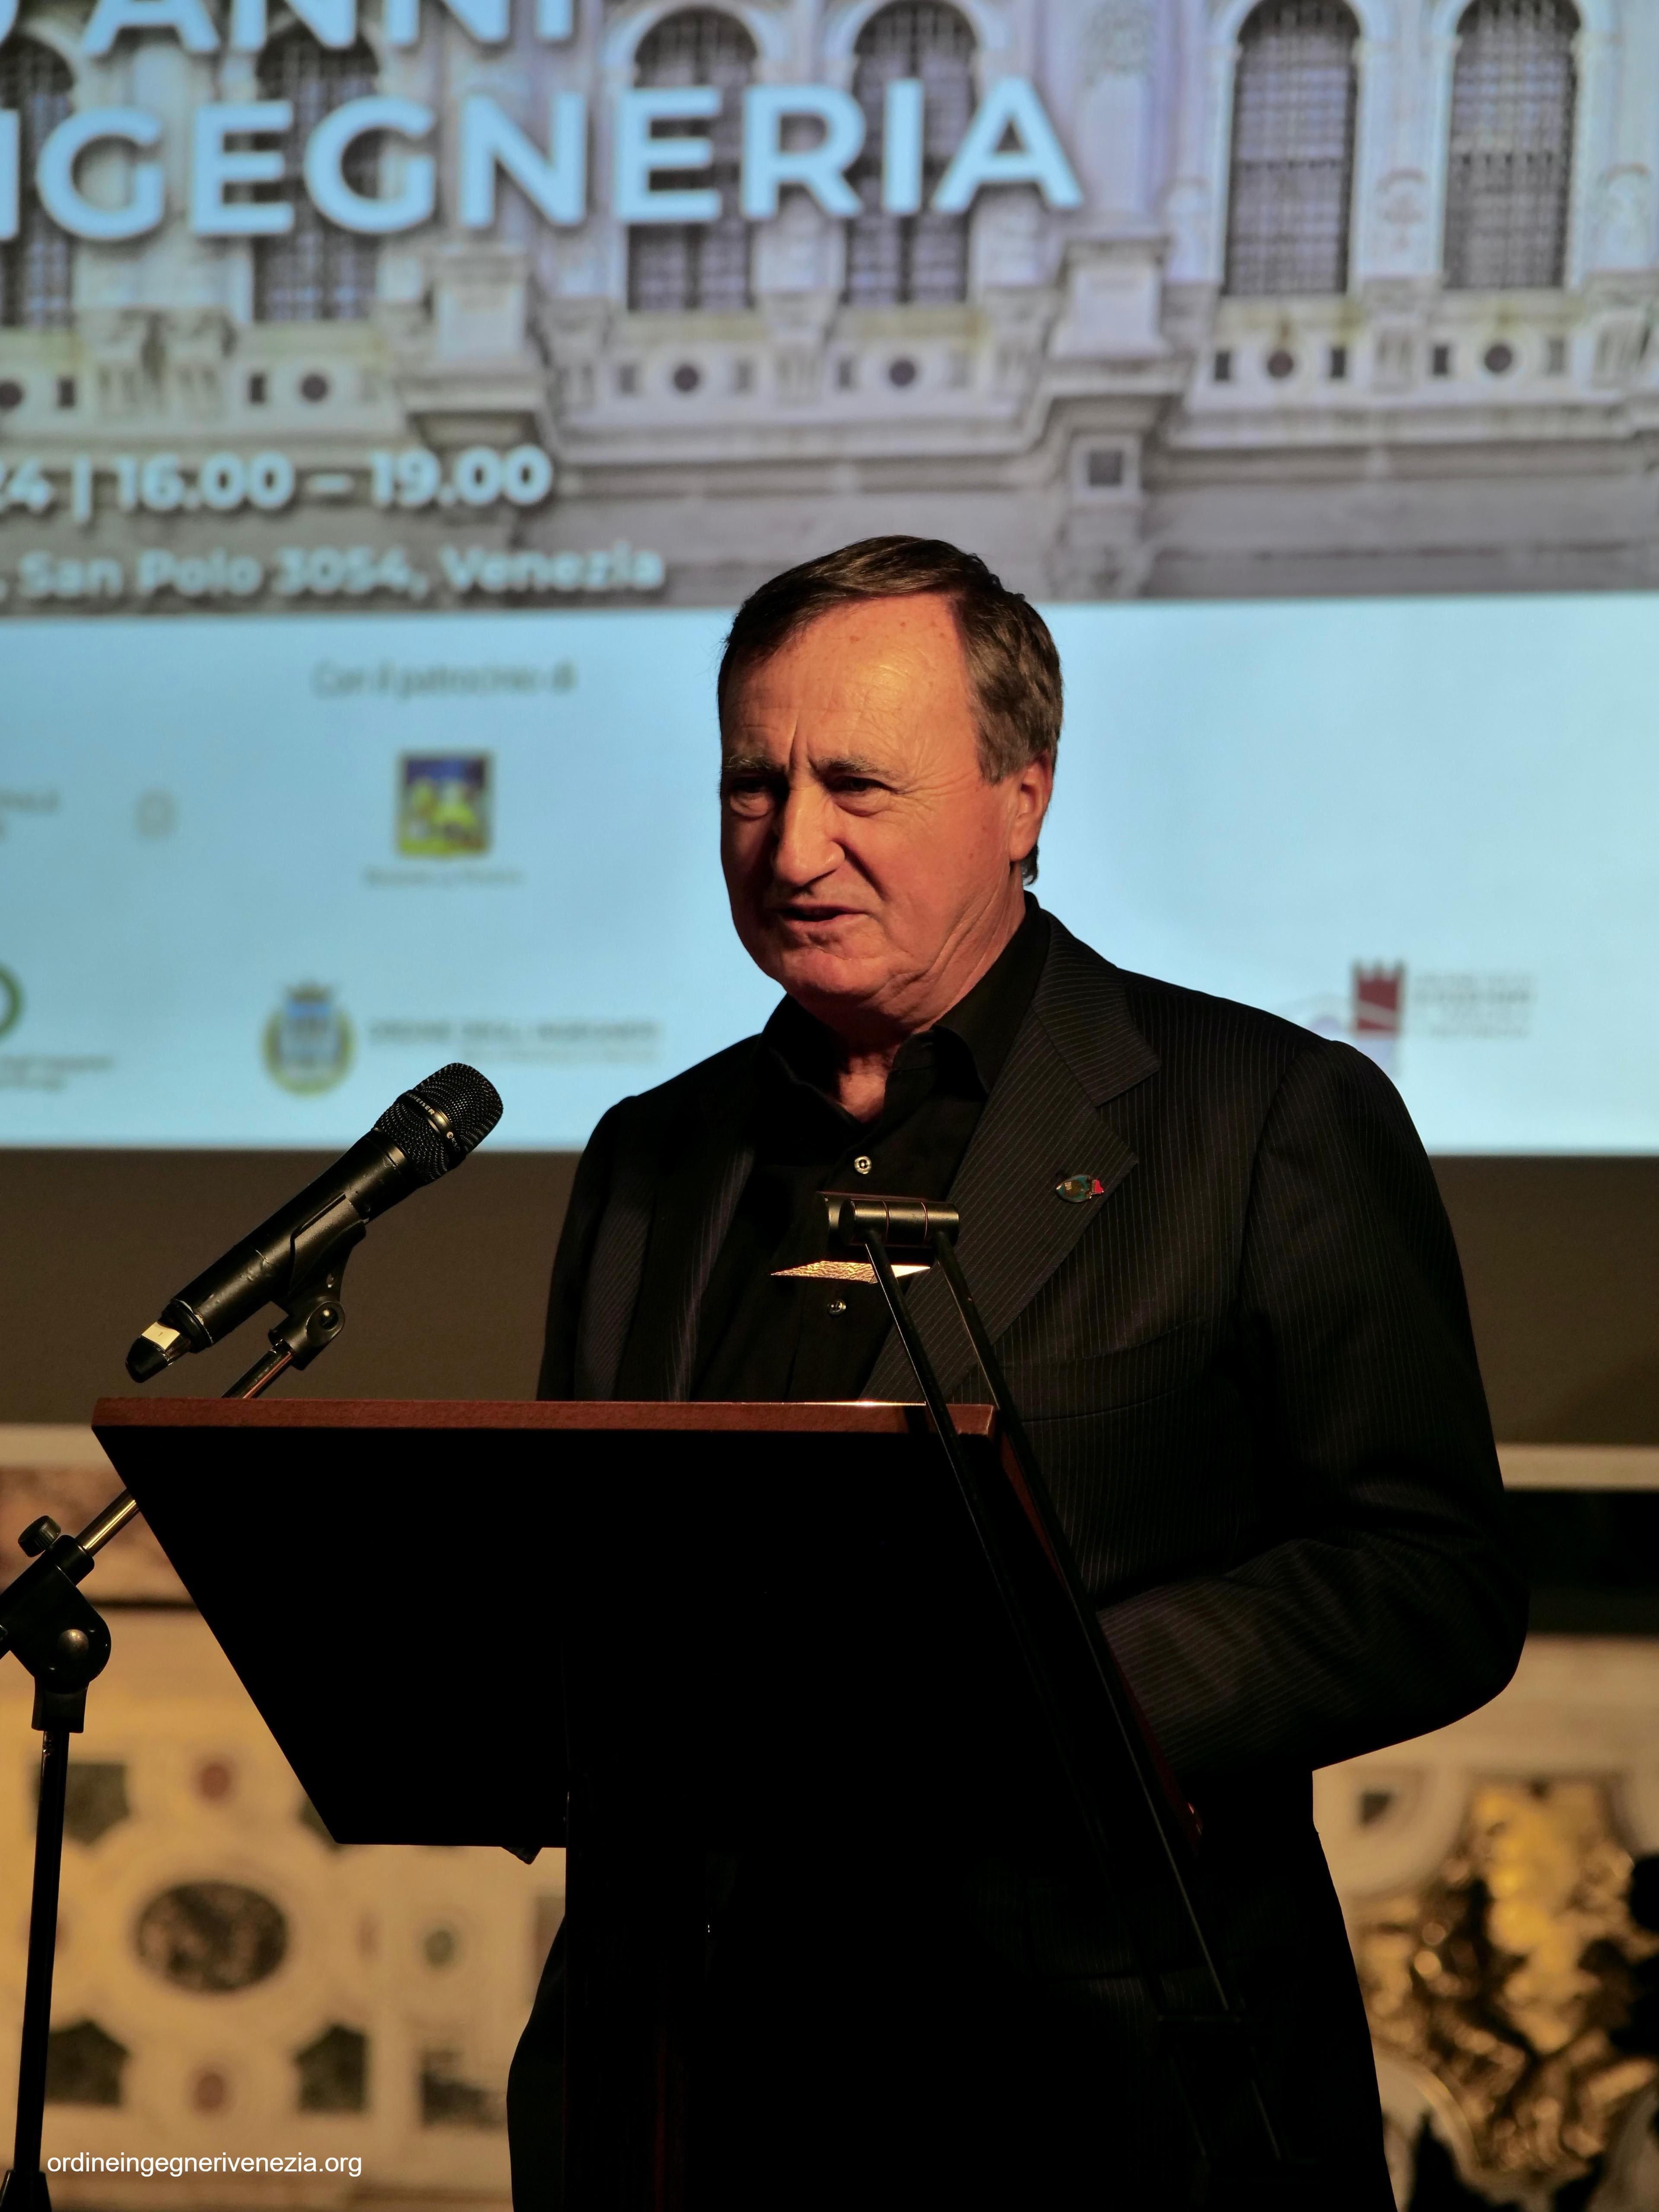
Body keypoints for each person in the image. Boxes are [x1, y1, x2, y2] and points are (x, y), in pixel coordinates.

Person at [510, 536, 1526, 2206]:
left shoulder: (1263, 1116)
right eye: (754, 785)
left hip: (1102, 2104)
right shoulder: (651, 1155)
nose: (794, 846)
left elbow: (1432, 1576)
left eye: (858, 785)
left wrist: (1059, 1686)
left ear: (1022, 795)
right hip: (691, 2094)